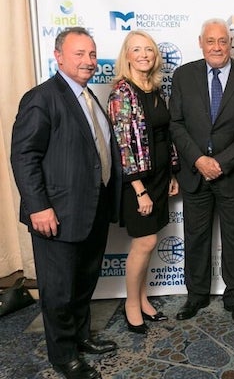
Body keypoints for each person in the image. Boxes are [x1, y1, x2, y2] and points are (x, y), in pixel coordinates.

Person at [11, 27, 120, 379]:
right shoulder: (42, 97)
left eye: (91, 54)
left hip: (90, 209)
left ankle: (81, 338)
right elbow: (24, 155)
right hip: (55, 212)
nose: (88, 61)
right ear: (58, 56)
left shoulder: (88, 96)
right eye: (79, 54)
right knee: (58, 291)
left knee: (83, 282)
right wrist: (38, 206)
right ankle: (63, 357)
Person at [170, 18, 234, 325]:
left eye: (222, 41)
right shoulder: (183, 76)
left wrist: (222, 162)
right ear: (200, 43)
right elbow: (176, 123)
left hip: (233, 175)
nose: (216, 47)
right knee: (196, 238)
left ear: (230, 44)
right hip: (195, 173)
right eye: (210, 41)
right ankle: (196, 296)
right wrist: (198, 159)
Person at [107, 30, 179, 335]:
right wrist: (139, 189)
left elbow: (165, 134)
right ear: (127, 56)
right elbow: (124, 146)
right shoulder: (122, 93)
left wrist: (173, 172)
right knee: (146, 241)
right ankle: (131, 305)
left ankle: (143, 298)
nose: (144, 54)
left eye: (148, 49)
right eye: (136, 49)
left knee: (147, 244)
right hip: (138, 181)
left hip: (161, 176)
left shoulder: (154, 88)